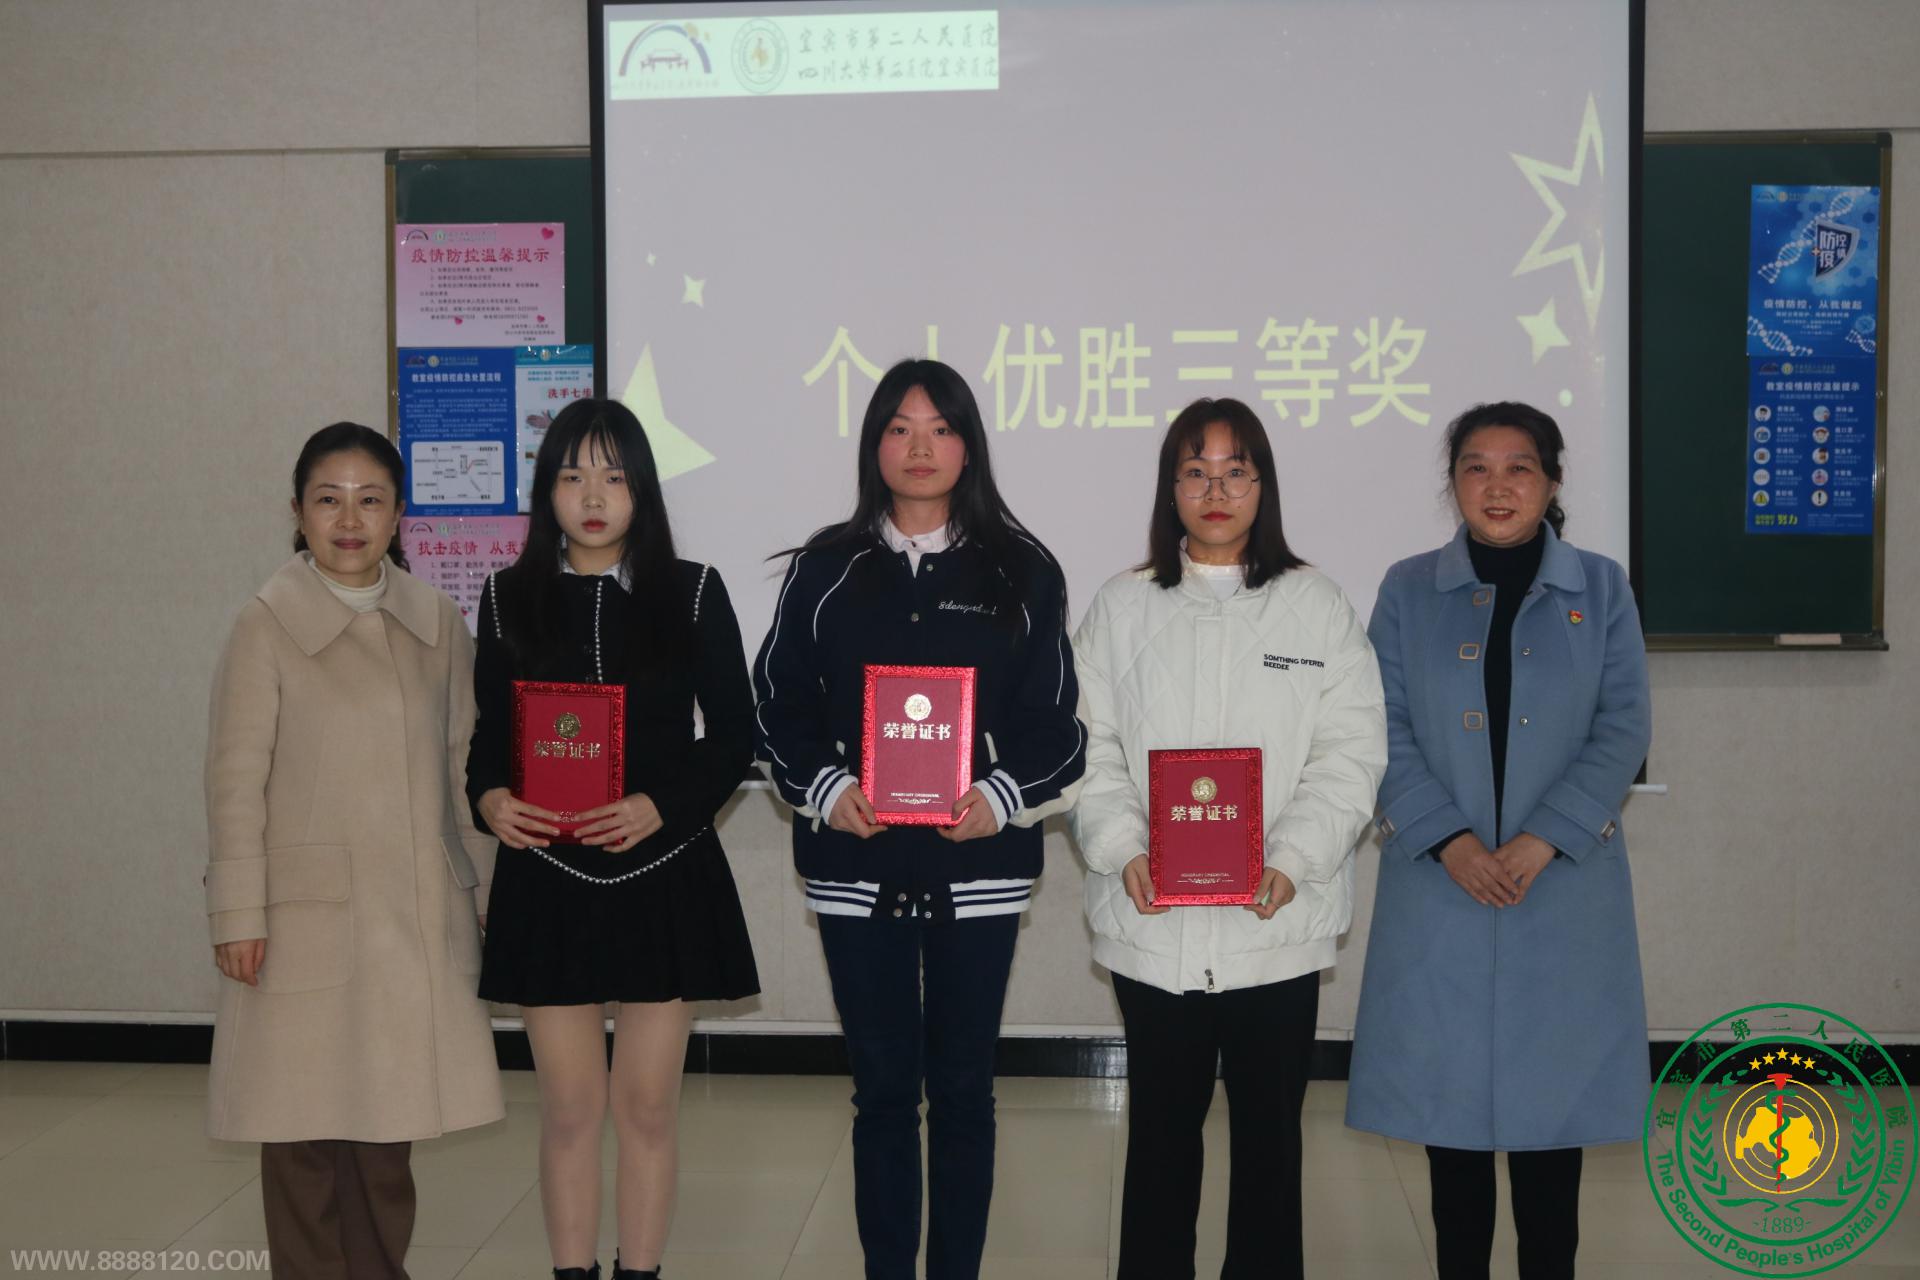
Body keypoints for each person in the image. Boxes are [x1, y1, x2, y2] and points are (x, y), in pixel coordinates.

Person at [752, 358, 1086, 1280]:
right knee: (884, 1096)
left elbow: (1056, 724)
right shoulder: (825, 569)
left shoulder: (1023, 569)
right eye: (899, 428)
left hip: (978, 871)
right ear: (875, 446)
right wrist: (826, 786)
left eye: (940, 428)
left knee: (967, 1093)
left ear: (969, 446)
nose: (920, 446)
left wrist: (1000, 797)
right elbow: (776, 703)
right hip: (855, 872)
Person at [1070, 397, 1386, 1280]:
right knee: (1159, 1147)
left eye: (1236, 472)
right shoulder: (1121, 606)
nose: (1216, 491)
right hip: (1153, 926)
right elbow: (1087, 747)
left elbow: (1351, 752)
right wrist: (1123, 846)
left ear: (1263, 486)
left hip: (1274, 927)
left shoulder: (1316, 604)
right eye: (1196, 472)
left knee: (1270, 1150)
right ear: (1170, 487)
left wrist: (1292, 859)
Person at [1346, 401, 1653, 1280]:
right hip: (1441, 887)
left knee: (1553, 1130)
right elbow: (1380, 725)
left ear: (1552, 482)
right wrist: (1449, 840)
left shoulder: (1602, 589)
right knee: (1450, 1131)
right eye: (1475, 467)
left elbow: (1623, 728)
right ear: (1453, 485)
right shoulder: (1408, 589)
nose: (1497, 485)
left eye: (1519, 467)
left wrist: (1541, 840)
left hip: (1561, 890)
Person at [468, 399, 759, 1280]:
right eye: (571, 476)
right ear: (546, 490)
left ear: (643, 489)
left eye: (613, 476)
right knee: (567, 1110)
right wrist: (489, 799)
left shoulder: (693, 589)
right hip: (546, 877)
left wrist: (659, 806)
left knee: (646, 1110)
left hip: (663, 872)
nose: (592, 497)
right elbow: (489, 740)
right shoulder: (505, 596)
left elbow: (735, 736)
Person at [204, 422, 504, 1279]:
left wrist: (487, 894)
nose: (348, 519)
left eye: (370, 500)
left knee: (386, 1134)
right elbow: (233, 779)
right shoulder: (265, 624)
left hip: (412, 915)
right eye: (327, 500)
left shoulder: (436, 620)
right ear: (297, 513)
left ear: (399, 514)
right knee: (300, 1131)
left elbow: (464, 765)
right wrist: (237, 911)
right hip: (302, 918)